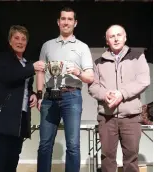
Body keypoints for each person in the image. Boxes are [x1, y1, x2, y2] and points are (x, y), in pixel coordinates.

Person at [36, 7, 94, 172]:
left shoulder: (82, 47)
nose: (66, 22)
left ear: (75, 23)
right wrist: (39, 95)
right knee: (45, 144)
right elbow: (40, 71)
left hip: (72, 96)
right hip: (48, 97)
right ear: (58, 22)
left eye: (70, 19)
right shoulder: (47, 46)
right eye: (63, 19)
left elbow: (90, 77)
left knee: (73, 145)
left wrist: (78, 72)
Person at [88, 25, 150, 172]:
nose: (116, 39)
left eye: (119, 35)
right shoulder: (99, 62)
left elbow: (143, 80)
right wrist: (105, 94)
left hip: (131, 117)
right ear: (107, 40)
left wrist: (122, 94)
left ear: (125, 37)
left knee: (131, 159)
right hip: (107, 117)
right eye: (112, 36)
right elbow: (92, 87)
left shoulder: (137, 56)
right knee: (107, 159)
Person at [0, 25, 45, 172]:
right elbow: (9, 76)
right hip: (5, 115)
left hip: (20, 117)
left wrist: (32, 93)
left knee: (14, 154)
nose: (20, 42)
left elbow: (22, 85)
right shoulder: (3, 58)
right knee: (3, 153)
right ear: (10, 41)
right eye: (16, 38)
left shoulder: (25, 62)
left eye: (23, 39)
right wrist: (32, 68)